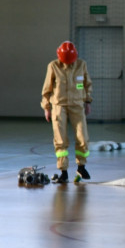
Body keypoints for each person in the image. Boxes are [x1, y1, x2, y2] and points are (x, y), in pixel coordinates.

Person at [41, 41, 93, 183]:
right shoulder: (53, 66)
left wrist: (87, 101)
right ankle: (63, 171)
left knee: (83, 137)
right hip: (59, 106)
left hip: (77, 105)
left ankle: (81, 167)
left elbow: (87, 84)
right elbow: (47, 89)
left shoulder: (81, 65)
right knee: (60, 140)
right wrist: (46, 108)